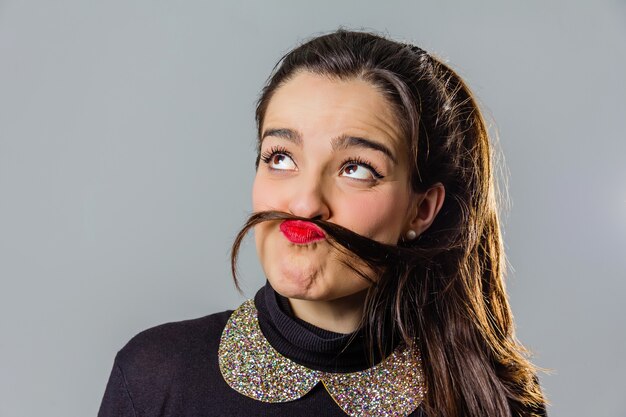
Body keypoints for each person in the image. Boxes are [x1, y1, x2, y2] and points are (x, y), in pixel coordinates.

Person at [98, 30, 547, 417]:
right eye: (281, 157)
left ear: (421, 209)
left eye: (356, 168)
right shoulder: (156, 377)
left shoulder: (494, 400)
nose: (305, 202)